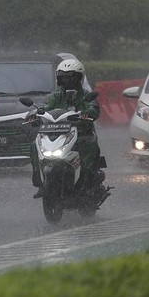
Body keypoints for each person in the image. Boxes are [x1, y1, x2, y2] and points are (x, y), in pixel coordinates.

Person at [29, 58, 101, 199]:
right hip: (56, 134)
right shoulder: (56, 97)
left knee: (89, 144)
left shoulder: (86, 96)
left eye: (71, 78)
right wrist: (35, 115)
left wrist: (87, 114)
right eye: (64, 78)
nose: (67, 81)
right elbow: (45, 109)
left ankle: (87, 183)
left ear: (79, 78)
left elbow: (94, 109)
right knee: (34, 145)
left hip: (81, 134)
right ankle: (40, 184)